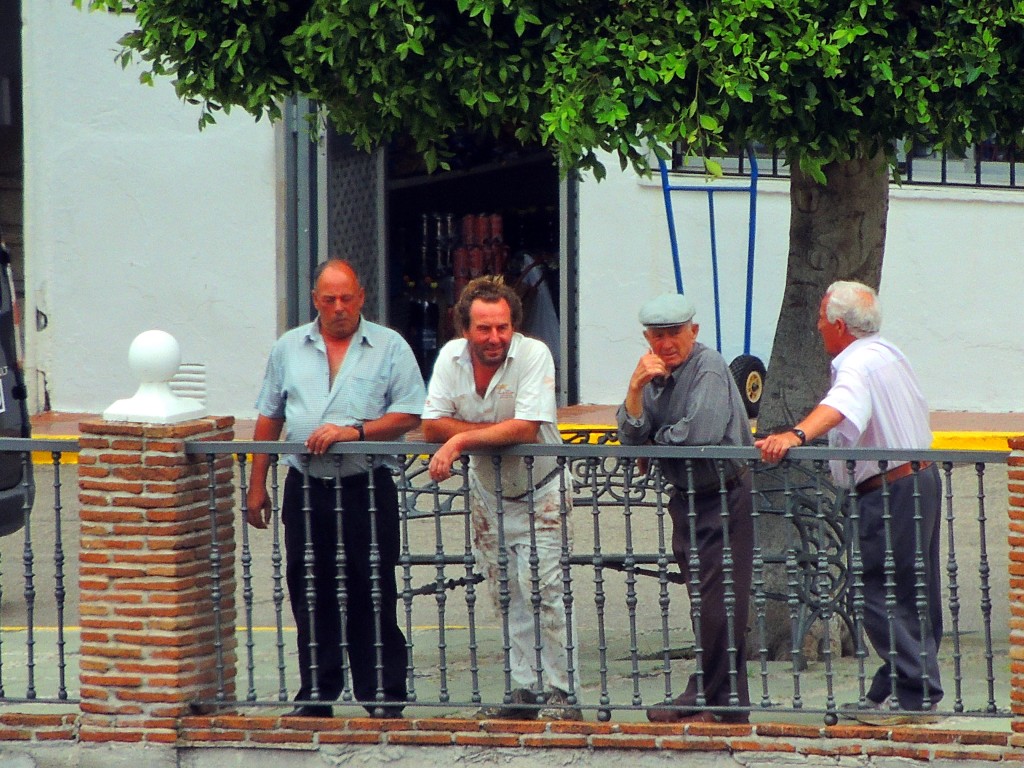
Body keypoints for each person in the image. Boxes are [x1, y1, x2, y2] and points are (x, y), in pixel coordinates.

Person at [755, 280, 942, 724]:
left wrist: (794, 435)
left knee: (879, 589)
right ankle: (897, 683)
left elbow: (840, 406)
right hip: (919, 480)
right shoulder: (889, 354)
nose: (818, 327)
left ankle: (914, 693)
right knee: (914, 590)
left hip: (890, 488)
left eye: (822, 318)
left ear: (839, 325)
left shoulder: (855, 363)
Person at [246, 259, 425, 718]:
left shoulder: (389, 346)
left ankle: (382, 695)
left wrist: (355, 432)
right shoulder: (288, 348)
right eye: (330, 299)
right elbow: (270, 415)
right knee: (310, 591)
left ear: (362, 297)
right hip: (307, 487)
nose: (339, 307)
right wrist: (256, 483)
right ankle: (317, 695)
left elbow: (409, 414)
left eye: (347, 298)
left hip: (366, 486)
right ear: (315, 301)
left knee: (374, 589)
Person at [421, 275, 581, 721]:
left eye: (502, 327)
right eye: (484, 328)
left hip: (542, 490)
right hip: (488, 493)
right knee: (505, 592)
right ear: (464, 328)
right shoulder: (450, 359)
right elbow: (430, 424)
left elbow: (525, 428)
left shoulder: (533, 354)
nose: (494, 337)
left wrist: (457, 443)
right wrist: (474, 438)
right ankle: (524, 690)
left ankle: (562, 694)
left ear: (514, 326)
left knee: (545, 591)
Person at [616, 292, 754, 724]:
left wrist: (652, 447)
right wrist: (635, 388)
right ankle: (726, 702)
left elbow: (701, 433)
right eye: (657, 336)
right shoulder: (654, 375)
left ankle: (709, 696)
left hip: (724, 494)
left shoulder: (708, 365)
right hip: (688, 498)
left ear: (693, 331)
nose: (666, 343)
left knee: (719, 603)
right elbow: (629, 434)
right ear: (647, 337)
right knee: (707, 601)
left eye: (674, 333)